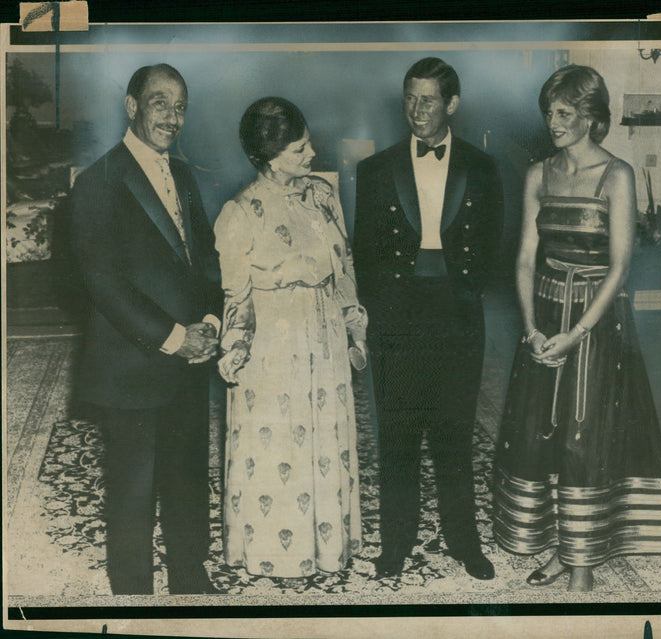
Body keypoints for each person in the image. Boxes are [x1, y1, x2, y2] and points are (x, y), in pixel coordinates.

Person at [493, 65, 661, 592]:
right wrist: (531, 329)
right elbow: (526, 258)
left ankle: (583, 564)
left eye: (564, 113)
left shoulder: (616, 175)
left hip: (596, 323)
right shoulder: (538, 173)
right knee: (542, 435)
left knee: (586, 438)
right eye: (548, 112)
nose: (552, 122)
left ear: (591, 118)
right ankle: (560, 547)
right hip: (545, 318)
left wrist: (575, 334)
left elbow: (621, 265)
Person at [69, 64, 221, 595]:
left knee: (186, 475)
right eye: (160, 103)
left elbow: (204, 259)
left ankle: (189, 572)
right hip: (132, 364)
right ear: (131, 106)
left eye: (180, 106)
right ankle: (132, 593)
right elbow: (104, 284)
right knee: (133, 487)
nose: (173, 117)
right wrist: (176, 338)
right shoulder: (97, 183)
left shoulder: (182, 174)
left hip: (188, 359)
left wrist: (209, 320)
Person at [353, 57, 504, 580]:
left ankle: (464, 539)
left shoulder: (482, 168)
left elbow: (494, 245)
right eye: (410, 97)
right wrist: (380, 315)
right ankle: (396, 542)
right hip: (397, 312)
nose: (416, 110)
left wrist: (464, 290)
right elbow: (363, 254)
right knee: (397, 435)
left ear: (452, 104)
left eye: (428, 99)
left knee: (454, 434)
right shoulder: (374, 169)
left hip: (458, 314)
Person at [215, 97, 367, 579]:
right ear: (268, 154)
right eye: (300, 149)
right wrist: (234, 349)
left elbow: (344, 266)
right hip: (273, 349)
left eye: (308, 143)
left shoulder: (323, 194)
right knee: (279, 444)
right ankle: (274, 552)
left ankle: (326, 547)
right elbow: (235, 296)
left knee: (325, 439)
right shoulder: (239, 213)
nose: (312, 154)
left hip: (323, 339)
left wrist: (353, 327)